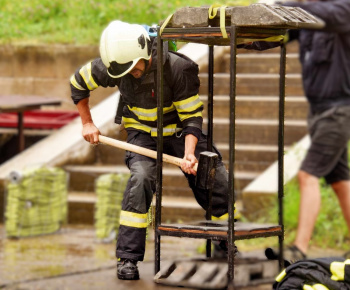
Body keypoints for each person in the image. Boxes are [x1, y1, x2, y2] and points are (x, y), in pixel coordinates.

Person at [70, 20, 230, 280]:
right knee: (141, 178)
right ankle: (128, 259)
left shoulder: (179, 68)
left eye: (134, 68)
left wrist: (189, 154)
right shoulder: (115, 65)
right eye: (124, 71)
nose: (130, 73)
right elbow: (77, 83)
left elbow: (192, 119)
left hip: (180, 132)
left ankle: (224, 239)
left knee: (214, 177)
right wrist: (87, 122)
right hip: (142, 134)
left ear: (145, 53)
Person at [266, 0, 350, 264]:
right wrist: (247, 36)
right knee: (339, 181)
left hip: (339, 110)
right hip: (318, 111)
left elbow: (316, 12)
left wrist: (280, 5)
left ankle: (299, 250)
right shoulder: (306, 20)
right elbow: (278, 34)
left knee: (307, 174)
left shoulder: (342, 10)